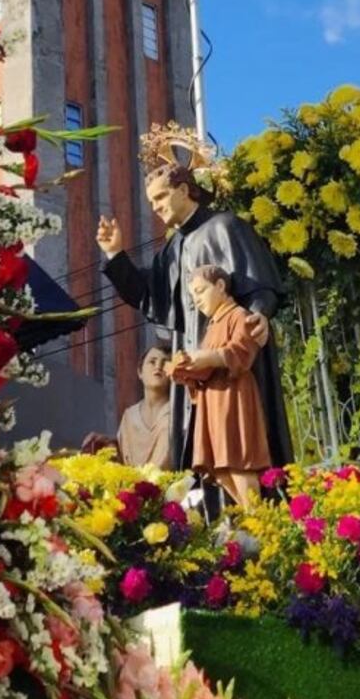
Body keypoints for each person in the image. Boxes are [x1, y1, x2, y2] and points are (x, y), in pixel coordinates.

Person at [96, 140, 292, 476]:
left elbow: (258, 283)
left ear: (184, 189)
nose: (155, 208)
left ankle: (260, 516)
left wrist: (260, 311)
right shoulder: (172, 249)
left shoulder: (225, 226)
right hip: (192, 358)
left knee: (240, 446)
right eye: (151, 201)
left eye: (159, 197)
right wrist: (116, 254)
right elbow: (147, 296)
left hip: (231, 357)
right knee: (202, 451)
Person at [170, 265, 270, 506]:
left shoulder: (238, 315)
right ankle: (252, 518)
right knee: (221, 468)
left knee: (237, 460)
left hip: (233, 395)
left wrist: (206, 357)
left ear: (221, 286)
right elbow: (204, 369)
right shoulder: (212, 325)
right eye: (193, 296)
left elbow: (242, 351)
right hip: (212, 401)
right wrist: (184, 370)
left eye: (201, 291)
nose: (197, 300)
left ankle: (261, 520)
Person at [116, 344, 173, 469]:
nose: (158, 367)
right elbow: (119, 459)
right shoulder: (129, 416)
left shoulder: (175, 413)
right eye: (152, 362)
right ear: (140, 372)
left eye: (165, 363)